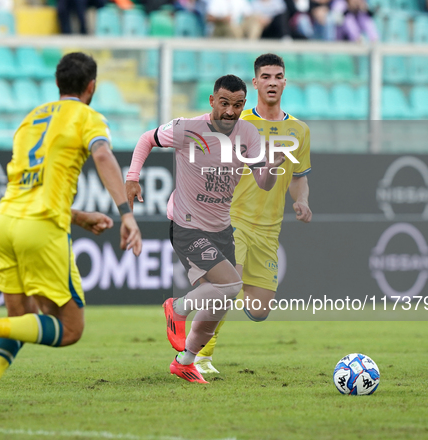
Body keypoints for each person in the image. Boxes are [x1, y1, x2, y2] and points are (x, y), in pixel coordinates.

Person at [0, 52, 142, 423]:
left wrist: (79, 216)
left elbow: (28, 185)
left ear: (57, 84)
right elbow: (102, 156)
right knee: (69, 329)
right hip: (41, 227)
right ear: (91, 87)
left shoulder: (30, 119)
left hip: (4, 222)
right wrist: (126, 214)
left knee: (20, 319)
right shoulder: (88, 117)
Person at [126, 74, 285, 383]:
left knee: (220, 301)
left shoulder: (248, 134)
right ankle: (177, 308)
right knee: (230, 285)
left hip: (220, 227)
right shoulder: (187, 129)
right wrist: (133, 176)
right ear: (212, 100)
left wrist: (273, 166)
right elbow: (147, 138)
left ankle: (185, 361)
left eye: (238, 105)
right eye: (224, 103)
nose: (230, 111)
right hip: (186, 225)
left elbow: (264, 183)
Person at [193, 54, 312, 375]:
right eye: (266, 76)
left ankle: (202, 299)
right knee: (226, 289)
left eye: (278, 76)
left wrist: (302, 201)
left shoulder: (299, 130)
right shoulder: (237, 122)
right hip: (233, 220)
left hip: (269, 230)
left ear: (285, 82)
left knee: (259, 310)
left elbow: (299, 179)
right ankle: (199, 356)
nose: (272, 82)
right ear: (256, 83)